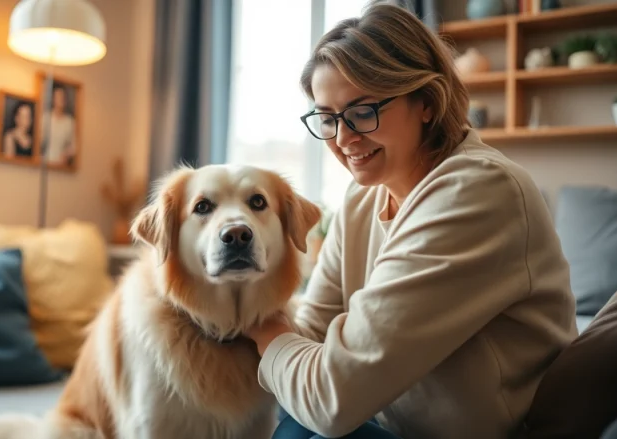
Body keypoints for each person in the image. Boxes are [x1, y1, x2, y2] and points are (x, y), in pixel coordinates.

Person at [245, 4, 578, 439]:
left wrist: (265, 328)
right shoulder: (362, 198)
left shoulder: (479, 192)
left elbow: (330, 397)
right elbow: (313, 330)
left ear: (425, 101)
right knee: (293, 423)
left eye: (363, 111)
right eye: (327, 118)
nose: (344, 140)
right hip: (390, 426)